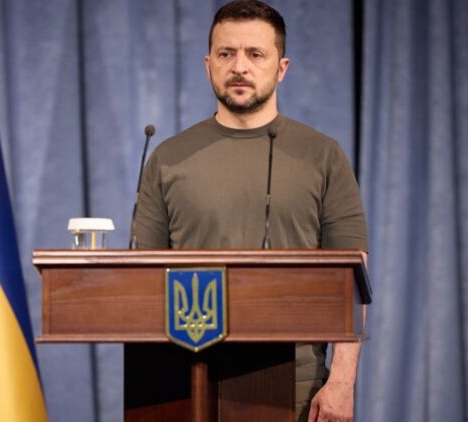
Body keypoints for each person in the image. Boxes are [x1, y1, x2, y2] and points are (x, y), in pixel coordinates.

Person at [133, 1, 368, 421]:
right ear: (208, 64)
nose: (239, 66)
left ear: (281, 68)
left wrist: (343, 381)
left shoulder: (323, 156)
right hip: (185, 382)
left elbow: (351, 280)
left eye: (255, 54)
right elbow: (139, 281)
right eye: (226, 53)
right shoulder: (167, 158)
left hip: (296, 387)